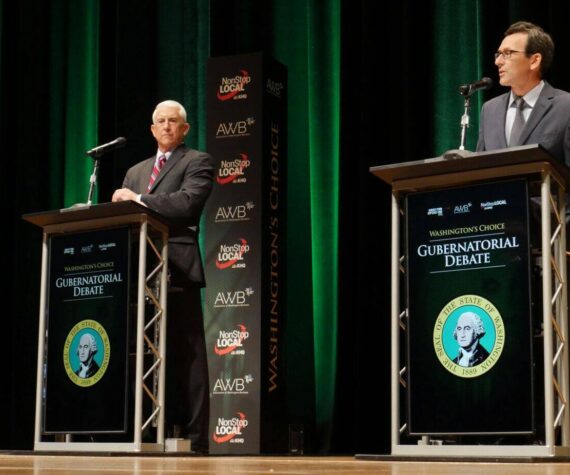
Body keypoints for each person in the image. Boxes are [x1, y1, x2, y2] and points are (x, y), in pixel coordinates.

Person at [112, 100, 214, 453]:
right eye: (161, 121)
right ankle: (140, 432)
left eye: (174, 121)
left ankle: (197, 439)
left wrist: (137, 199)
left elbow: (186, 204)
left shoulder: (197, 161)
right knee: (141, 353)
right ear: (152, 129)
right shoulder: (135, 171)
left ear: (184, 129)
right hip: (141, 270)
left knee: (188, 355)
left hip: (178, 266)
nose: (167, 126)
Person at [476, 21, 570, 165]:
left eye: (507, 53)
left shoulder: (565, 106)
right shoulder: (489, 110)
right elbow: (480, 170)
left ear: (534, 60)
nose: (498, 62)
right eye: (498, 54)